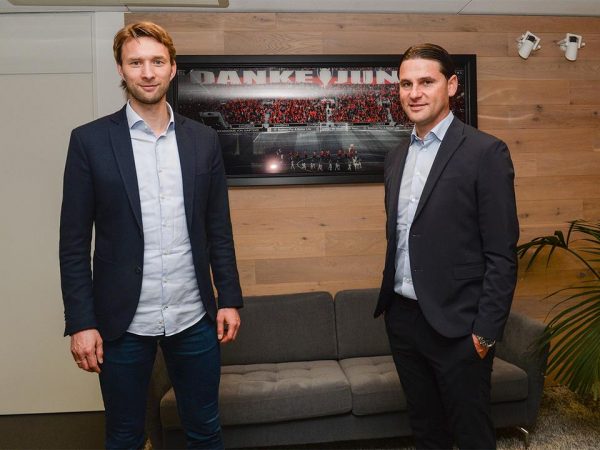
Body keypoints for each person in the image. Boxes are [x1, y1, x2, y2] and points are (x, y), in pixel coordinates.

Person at [59, 21, 243, 450]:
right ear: (120, 70)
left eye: (157, 62)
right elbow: (73, 245)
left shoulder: (203, 141)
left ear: (172, 68)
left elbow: (219, 229)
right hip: (121, 323)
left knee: (205, 432)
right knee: (124, 437)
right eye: (135, 62)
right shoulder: (89, 142)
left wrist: (229, 298)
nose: (147, 72)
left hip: (194, 317)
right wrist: (82, 322)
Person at [374, 43, 519, 449]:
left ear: (451, 85)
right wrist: (394, 315)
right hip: (403, 320)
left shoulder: (485, 152)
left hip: (459, 327)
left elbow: (502, 254)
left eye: (426, 82)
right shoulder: (395, 157)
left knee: (472, 434)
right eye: (406, 84)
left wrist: (485, 334)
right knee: (425, 432)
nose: (414, 93)